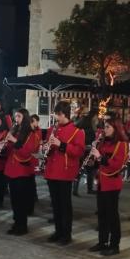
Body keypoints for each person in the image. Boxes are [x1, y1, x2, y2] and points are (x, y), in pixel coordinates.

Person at [44, 101, 85, 245]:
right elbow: (48, 149)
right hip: (51, 171)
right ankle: (58, 231)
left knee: (65, 205)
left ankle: (66, 234)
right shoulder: (52, 129)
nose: (55, 117)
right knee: (55, 204)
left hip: (65, 172)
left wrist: (61, 145)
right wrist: (46, 148)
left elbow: (79, 151)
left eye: (57, 114)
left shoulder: (77, 131)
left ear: (64, 114)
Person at [88, 117, 128, 255]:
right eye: (104, 127)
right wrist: (92, 160)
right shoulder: (103, 142)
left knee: (112, 216)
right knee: (102, 214)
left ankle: (114, 245)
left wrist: (100, 157)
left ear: (116, 129)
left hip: (112, 183)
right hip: (101, 182)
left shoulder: (122, 144)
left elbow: (117, 165)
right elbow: (99, 162)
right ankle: (102, 242)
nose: (104, 130)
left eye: (108, 127)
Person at [4, 109, 40, 235]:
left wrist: (14, 141)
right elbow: (11, 150)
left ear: (25, 117)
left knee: (21, 201)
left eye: (19, 116)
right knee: (14, 200)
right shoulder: (16, 130)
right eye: (15, 116)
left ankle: (22, 226)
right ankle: (16, 223)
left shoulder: (31, 133)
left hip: (22, 170)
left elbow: (27, 152)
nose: (16, 119)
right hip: (12, 168)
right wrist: (6, 143)